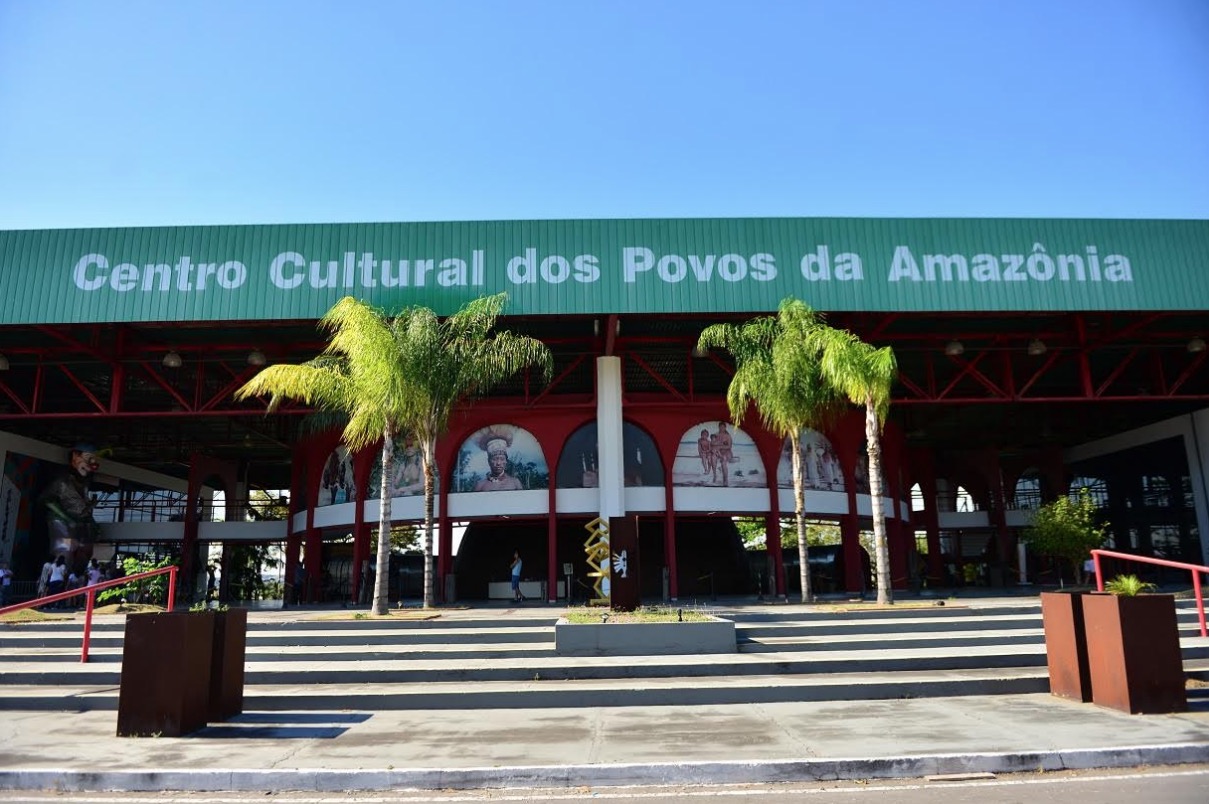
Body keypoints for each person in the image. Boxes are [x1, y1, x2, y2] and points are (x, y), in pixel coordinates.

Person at [37, 443, 101, 576]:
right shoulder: (62, 483)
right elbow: (46, 499)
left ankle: (75, 580)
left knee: (86, 549)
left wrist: (91, 514)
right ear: (75, 457)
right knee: (66, 547)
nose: (92, 463)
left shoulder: (83, 485)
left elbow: (83, 507)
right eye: (89, 458)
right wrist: (65, 518)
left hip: (81, 521)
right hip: (61, 521)